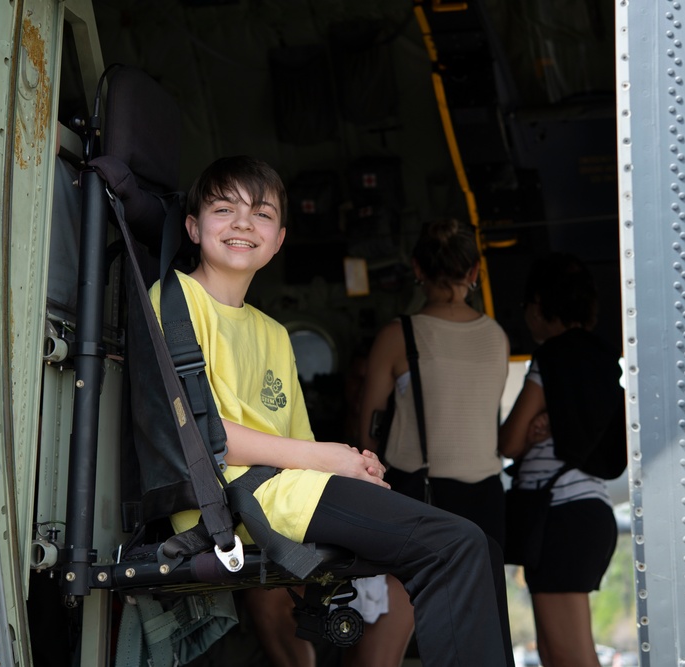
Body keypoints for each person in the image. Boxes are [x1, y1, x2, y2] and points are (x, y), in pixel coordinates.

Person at [151, 155, 515, 667]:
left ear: (279, 239)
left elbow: (301, 447)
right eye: (223, 208)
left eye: (261, 213)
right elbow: (197, 432)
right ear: (193, 227)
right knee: (454, 545)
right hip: (229, 500)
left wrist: (350, 466)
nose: (241, 223)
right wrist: (336, 459)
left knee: (481, 550)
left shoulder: (274, 333)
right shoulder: (175, 299)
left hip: (286, 493)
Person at [350, 218, 511, 667]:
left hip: (417, 498)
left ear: (417, 268)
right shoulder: (497, 337)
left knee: (386, 646)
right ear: (474, 271)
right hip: (485, 501)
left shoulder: (398, 335)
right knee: (479, 636)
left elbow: (368, 437)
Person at [499, 252, 619, 667]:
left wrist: (529, 432)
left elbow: (510, 441)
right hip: (586, 512)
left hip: (560, 517)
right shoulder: (603, 358)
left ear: (539, 305)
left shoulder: (550, 358)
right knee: (558, 653)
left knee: (567, 656)